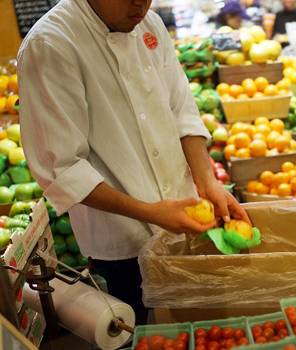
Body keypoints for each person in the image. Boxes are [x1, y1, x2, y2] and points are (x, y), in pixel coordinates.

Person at [17, 0, 249, 325]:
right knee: (137, 328)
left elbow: (181, 108)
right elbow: (63, 168)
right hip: (121, 233)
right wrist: (150, 212)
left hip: (184, 210)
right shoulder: (51, 44)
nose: (140, 4)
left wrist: (207, 180)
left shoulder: (150, 24)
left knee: (192, 323)